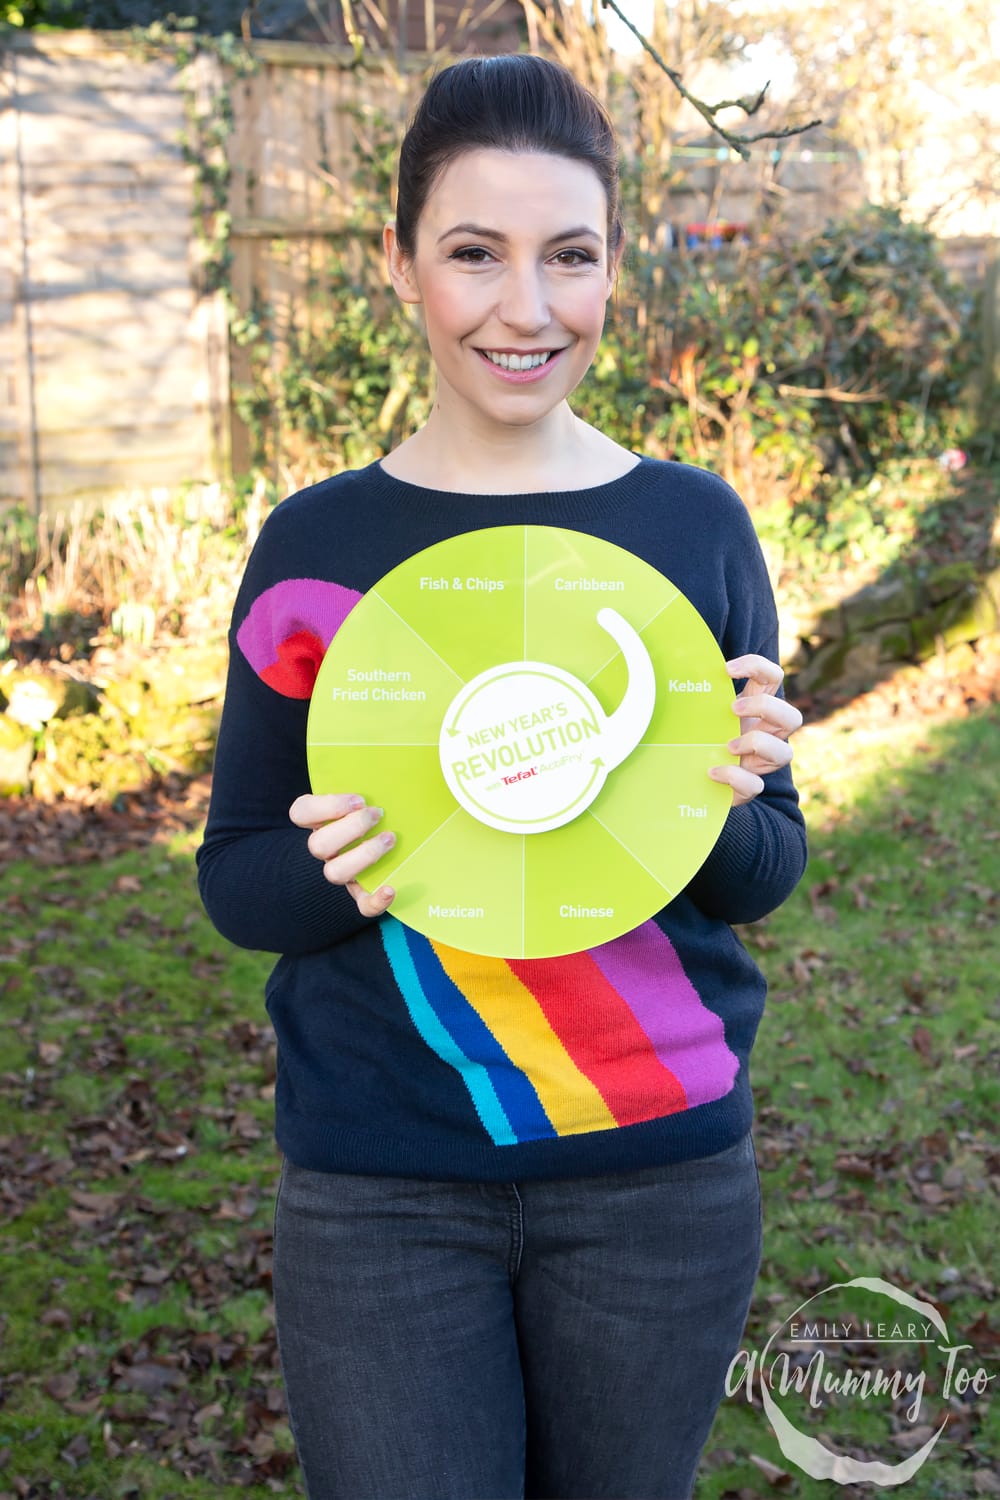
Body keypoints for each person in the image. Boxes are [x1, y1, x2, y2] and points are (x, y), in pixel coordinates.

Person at [197, 53, 806, 1500]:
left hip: (659, 1178)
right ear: (402, 263)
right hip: (383, 1190)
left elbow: (762, 873)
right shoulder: (319, 546)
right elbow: (240, 880)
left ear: (614, 270)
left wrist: (721, 794)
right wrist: (351, 856)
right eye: (476, 253)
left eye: (570, 256)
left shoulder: (691, 527)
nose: (526, 309)